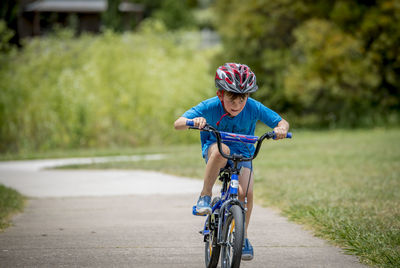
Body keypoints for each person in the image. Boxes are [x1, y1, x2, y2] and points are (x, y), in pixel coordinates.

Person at [174, 63, 289, 261]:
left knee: (246, 193)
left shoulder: (253, 108)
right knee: (222, 150)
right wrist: (195, 121)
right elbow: (178, 123)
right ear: (221, 95)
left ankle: (242, 237)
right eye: (231, 98)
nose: (237, 104)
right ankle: (205, 195)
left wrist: (281, 129)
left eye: (242, 98)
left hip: (243, 154)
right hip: (216, 150)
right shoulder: (210, 105)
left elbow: (281, 122)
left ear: (248, 97)